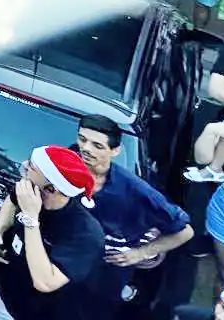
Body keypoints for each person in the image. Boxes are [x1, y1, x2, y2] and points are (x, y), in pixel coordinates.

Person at [73, 115, 191, 318]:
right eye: (82, 140)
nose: (86, 149)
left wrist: (141, 253)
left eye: (97, 146)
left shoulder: (137, 192)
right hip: (62, 261)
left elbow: (185, 232)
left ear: (115, 151)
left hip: (102, 277)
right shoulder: (65, 162)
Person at [0, 144, 105, 320]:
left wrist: (31, 218)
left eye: (32, 167)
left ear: (51, 188)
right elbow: (12, 199)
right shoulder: (29, 191)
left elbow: (45, 282)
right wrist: (0, 228)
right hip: (6, 293)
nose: (24, 165)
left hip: (41, 313)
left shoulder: (85, 234)